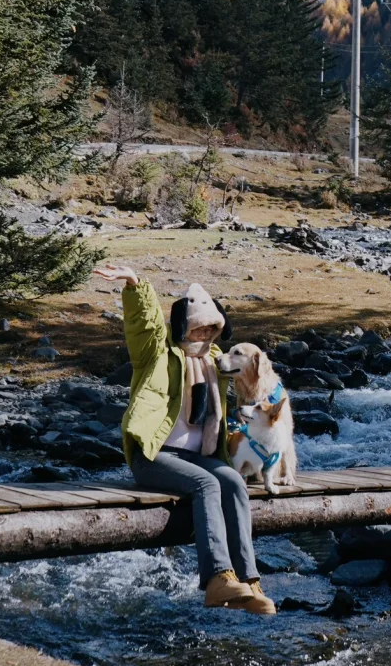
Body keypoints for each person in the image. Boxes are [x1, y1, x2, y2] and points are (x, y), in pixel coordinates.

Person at [92, 260, 275, 615]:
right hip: (155, 455)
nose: (205, 336)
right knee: (207, 485)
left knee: (234, 483)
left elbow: (253, 375)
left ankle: (249, 581)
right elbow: (142, 327)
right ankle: (217, 579)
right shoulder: (157, 354)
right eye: (198, 329)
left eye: (211, 330)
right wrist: (135, 285)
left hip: (201, 455)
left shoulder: (217, 360)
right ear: (183, 326)